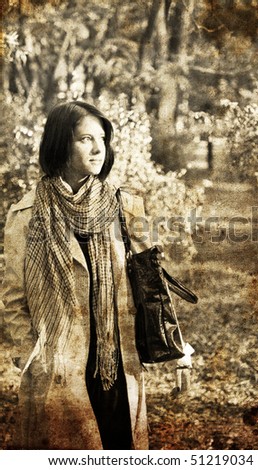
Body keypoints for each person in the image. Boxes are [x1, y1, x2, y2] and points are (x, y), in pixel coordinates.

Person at [2, 101, 151, 450]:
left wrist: (178, 351)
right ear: (60, 143)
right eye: (86, 138)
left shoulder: (125, 206)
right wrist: (31, 357)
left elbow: (150, 284)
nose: (99, 148)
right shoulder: (26, 214)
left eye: (102, 138)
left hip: (116, 367)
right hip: (58, 371)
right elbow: (13, 298)